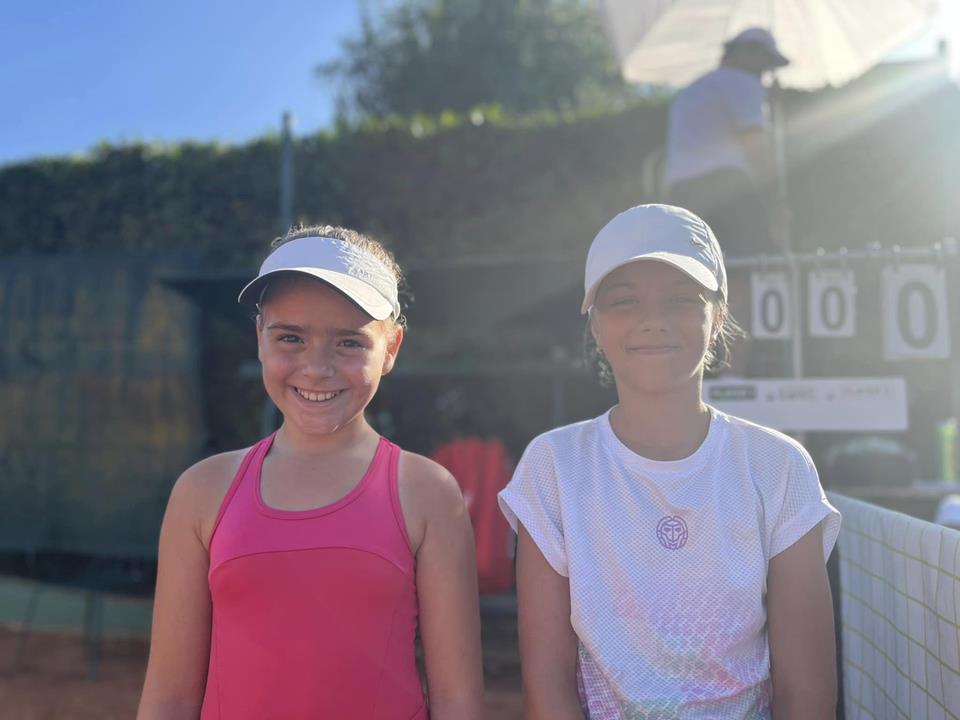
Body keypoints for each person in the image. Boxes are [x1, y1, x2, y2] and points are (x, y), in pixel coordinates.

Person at [499, 204, 841, 719]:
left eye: (681, 299)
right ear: (595, 326)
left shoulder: (778, 466)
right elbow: (547, 680)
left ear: (717, 317)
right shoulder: (554, 468)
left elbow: (808, 691)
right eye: (624, 301)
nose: (653, 321)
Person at [137, 226, 485, 719]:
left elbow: (458, 701)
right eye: (291, 338)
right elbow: (169, 698)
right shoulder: (202, 490)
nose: (317, 368)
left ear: (390, 348)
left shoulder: (428, 491)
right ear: (259, 339)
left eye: (349, 342)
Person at [663, 27, 789, 259]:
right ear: (747, 53)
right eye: (765, 63)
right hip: (726, 185)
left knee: (694, 267)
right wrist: (775, 201)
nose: (765, 73)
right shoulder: (743, 82)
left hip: (678, 194)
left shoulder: (691, 90)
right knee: (756, 263)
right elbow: (756, 145)